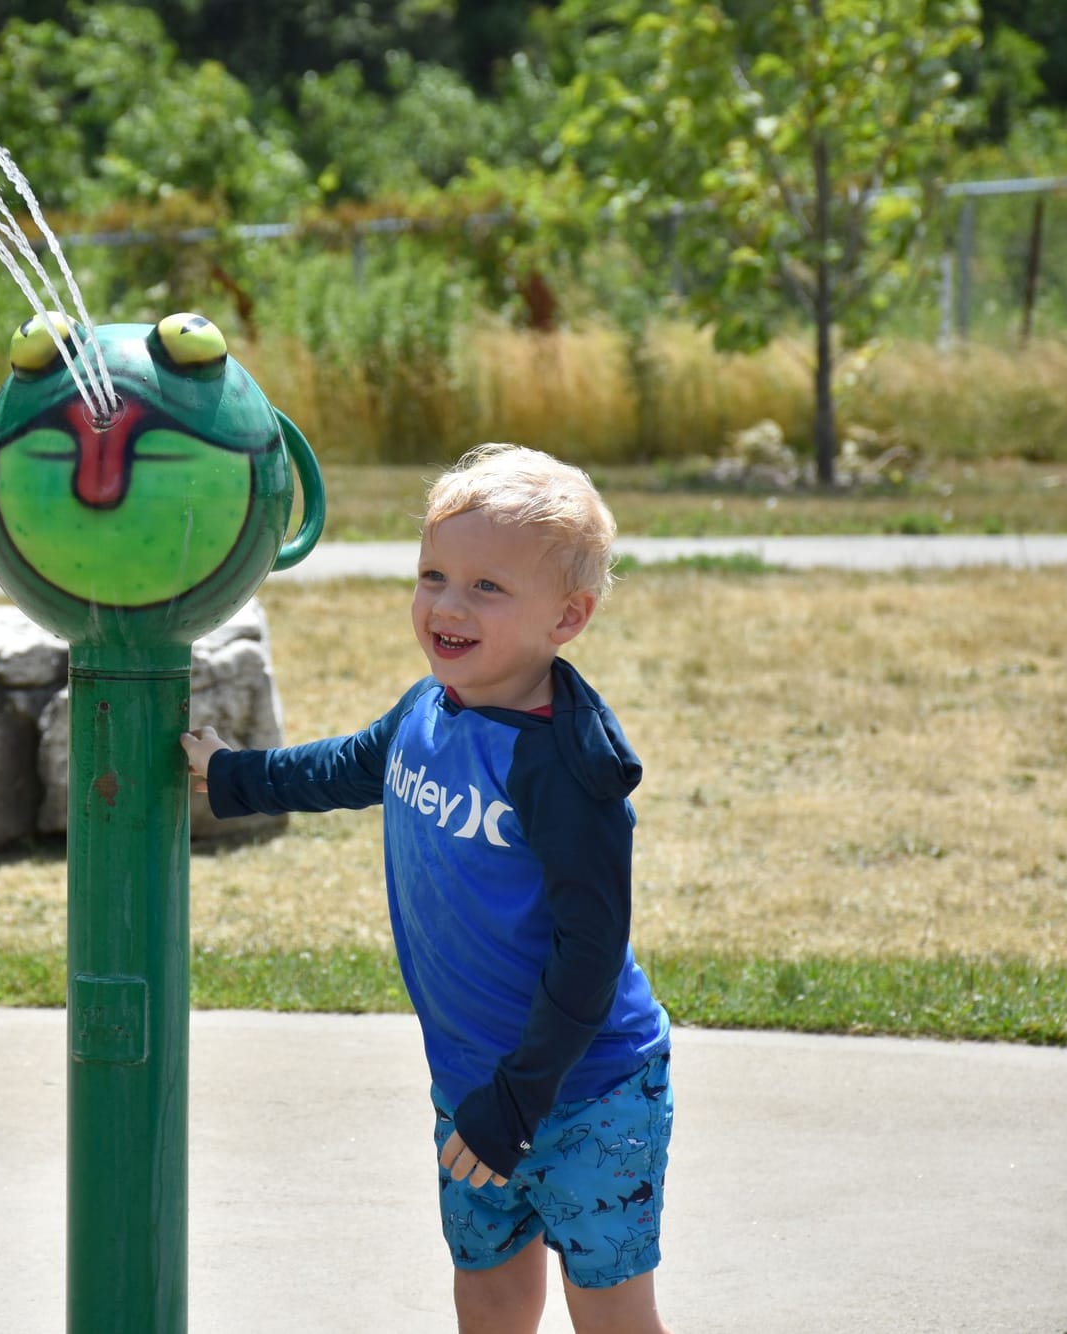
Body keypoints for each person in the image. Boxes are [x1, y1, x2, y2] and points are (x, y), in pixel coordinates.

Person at [181, 443, 675, 1333]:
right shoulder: (430, 708)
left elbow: (591, 953)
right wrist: (235, 776)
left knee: (608, 1311)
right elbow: (346, 766)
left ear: (568, 618)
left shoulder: (566, 771)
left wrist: (517, 1105)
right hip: (470, 1079)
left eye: (488, 587)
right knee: (485, 1285)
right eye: (434, 574)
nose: (447, 604)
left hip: (586, 1092)